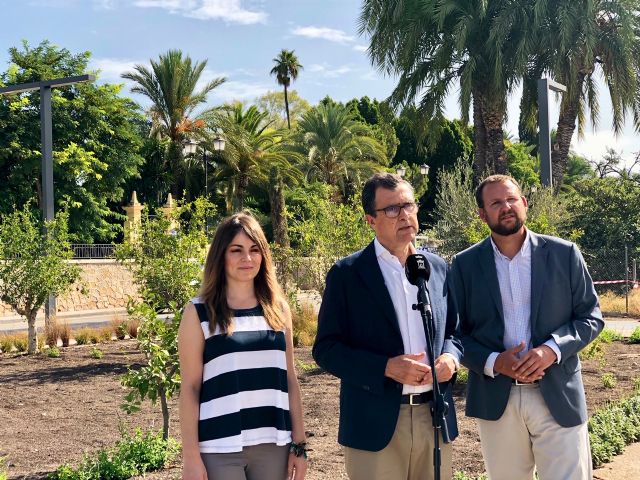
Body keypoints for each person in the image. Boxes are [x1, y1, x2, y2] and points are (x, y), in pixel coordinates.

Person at [449, 175, 603, 480]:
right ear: (482, 214)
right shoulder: (463, 265)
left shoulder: (564, 254)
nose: (505, 207)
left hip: (558, 392)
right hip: (496, 398)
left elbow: (591, 316)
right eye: (495, 203)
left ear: (524, 204)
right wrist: (494, 362)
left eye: (511, 199)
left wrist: (552, 350)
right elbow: (454, 333)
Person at [313, 172, 462, 480]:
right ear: (371, 220)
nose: (404, 214)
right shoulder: (348, 274)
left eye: (409, 205)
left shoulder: (435, 268)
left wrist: (450, 358)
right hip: (374, 423)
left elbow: (453, 333)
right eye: (392, 209)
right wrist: (385, 367)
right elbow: (326, 349)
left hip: (433, 419)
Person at [178, 212, 308, 480]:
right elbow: (190, 388)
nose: (247, 259)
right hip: (218, 446)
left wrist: (300, 444)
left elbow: (290, 380)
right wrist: (190, 456)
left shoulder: (278, 310)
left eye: (254, 250)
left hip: (275, 444)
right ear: (220, 256)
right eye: (236, 250)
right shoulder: (199, 312)